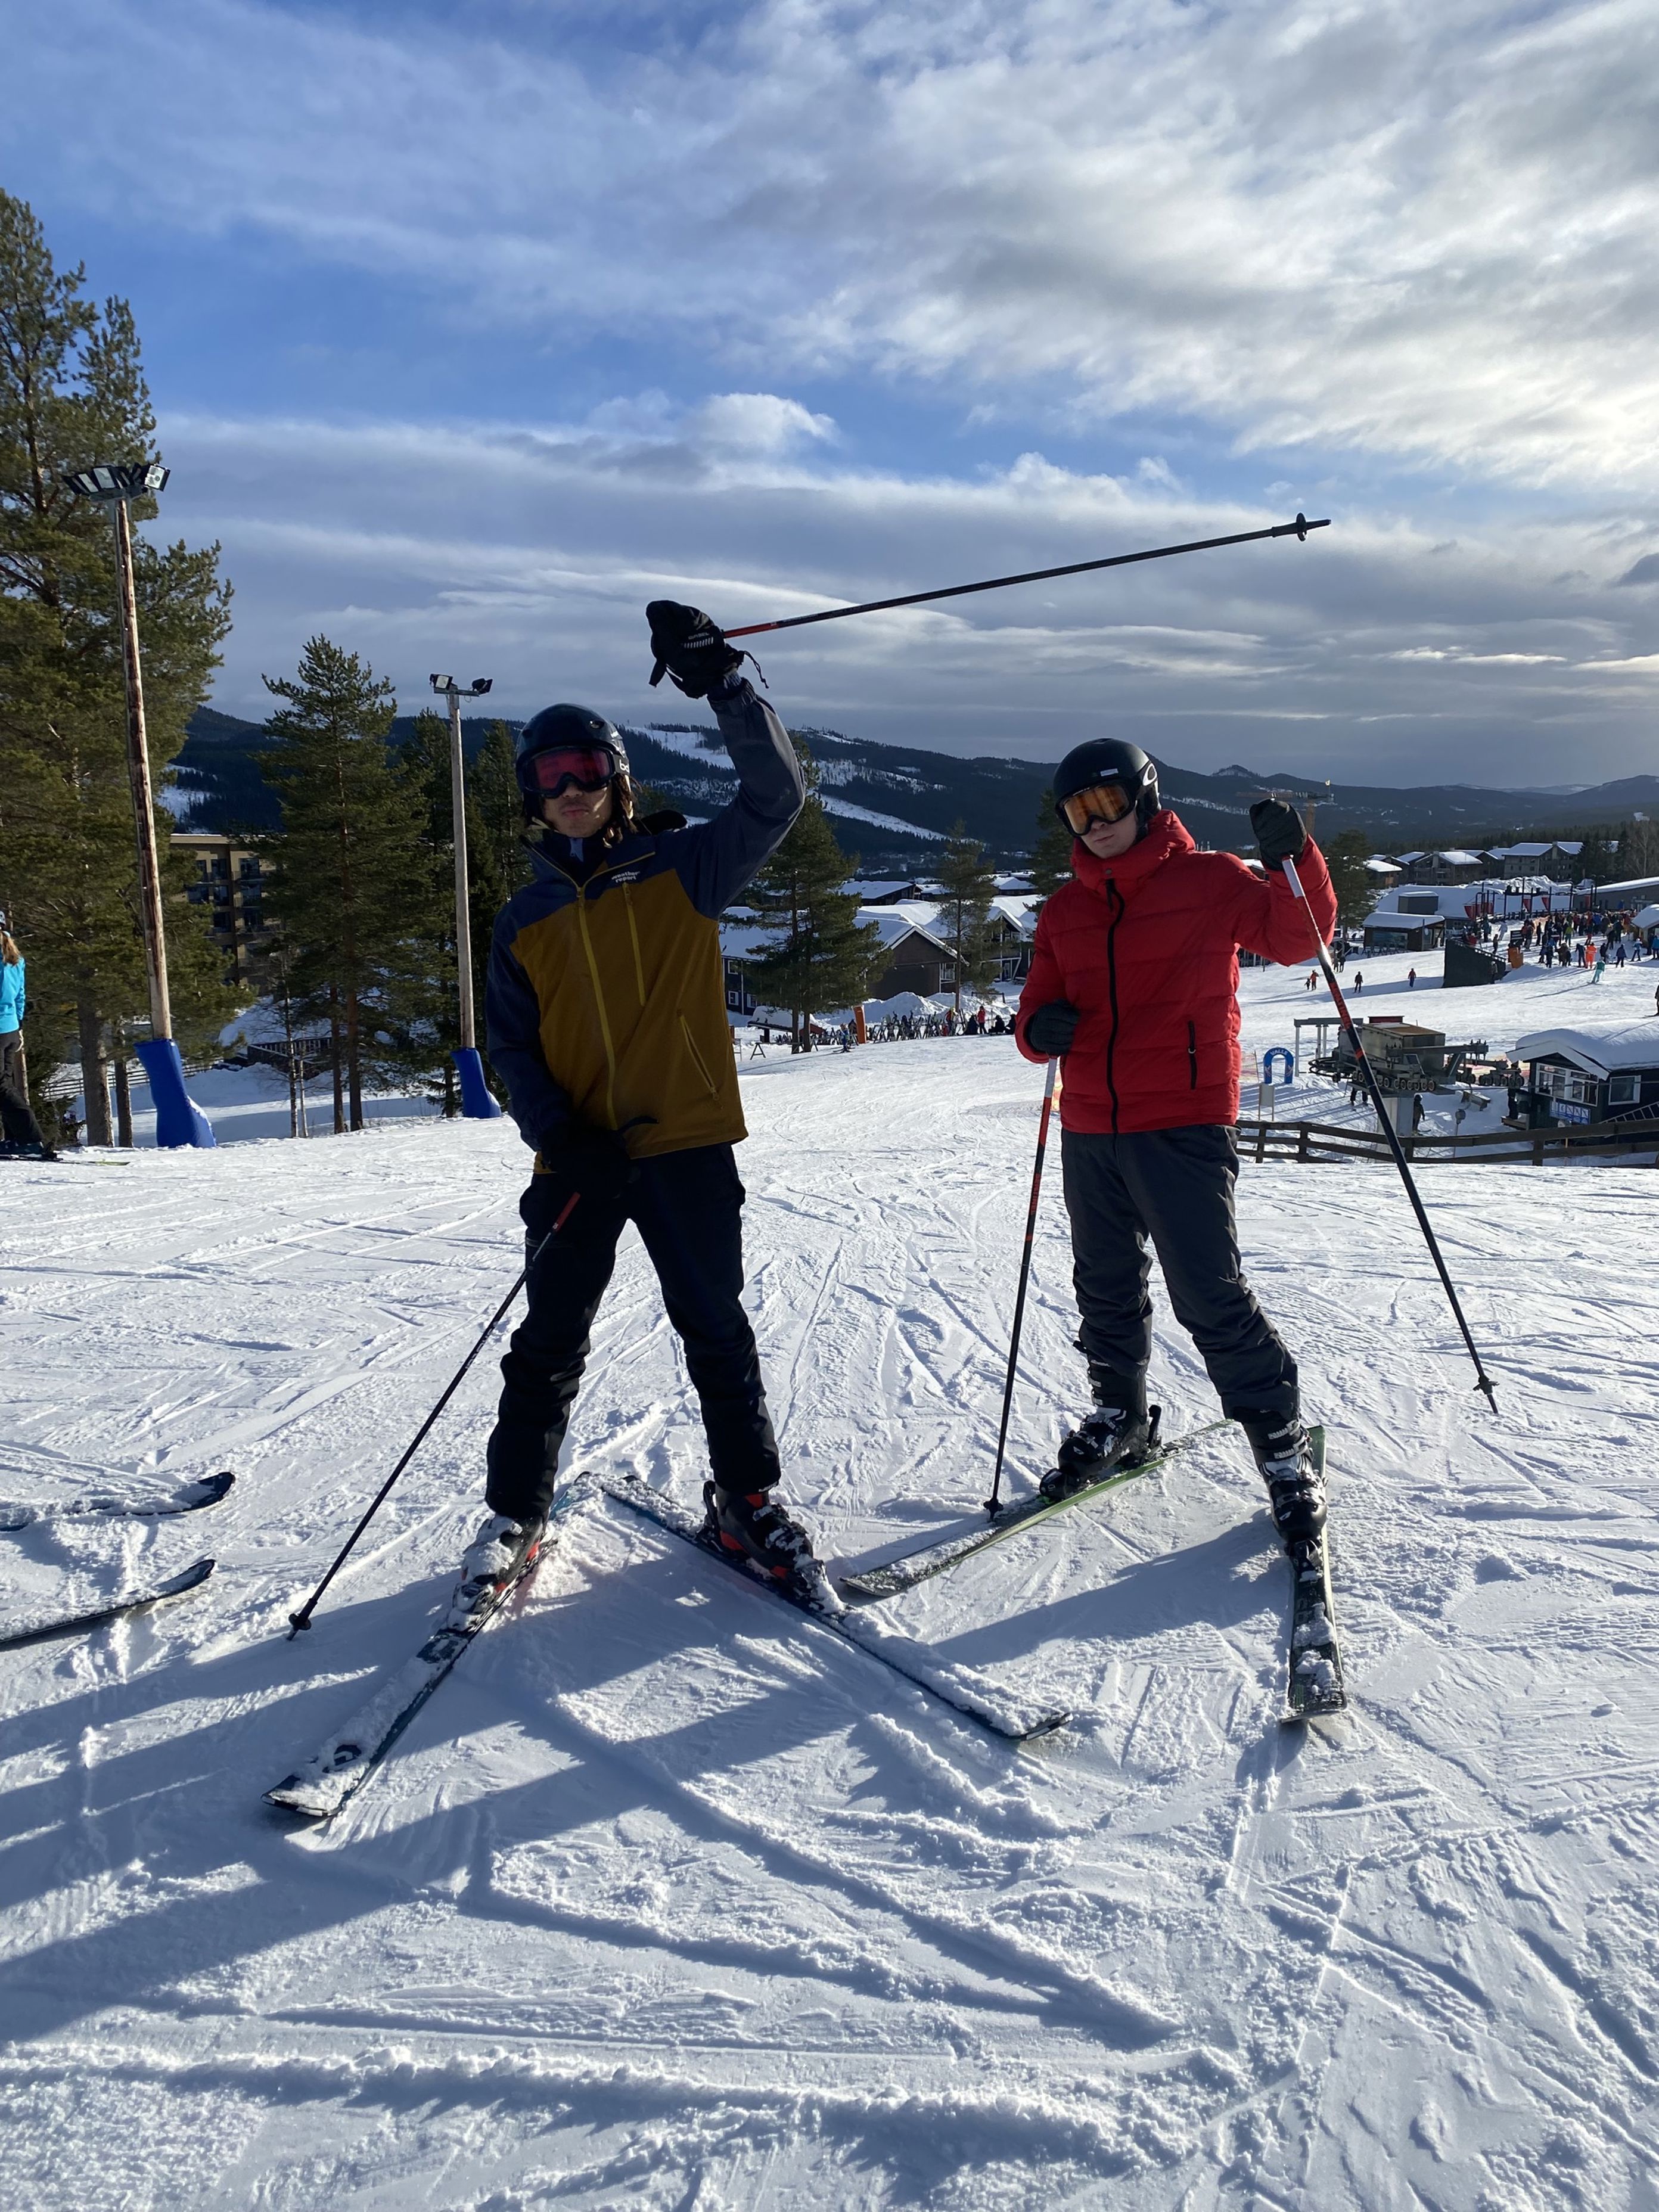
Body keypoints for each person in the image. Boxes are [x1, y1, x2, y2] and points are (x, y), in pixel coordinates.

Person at [471, 602, 809, 1598]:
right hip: (576, 1158)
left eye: (586, 771)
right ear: (533, 795)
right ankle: (515, 1513)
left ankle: (746, 1501)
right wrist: (557, 1132)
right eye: (549, 776)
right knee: (547, 1342)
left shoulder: (684, 870)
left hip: (685, 1145)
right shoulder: (523, 918)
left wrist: (725, 685)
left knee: (716, 1331)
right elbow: (511, 1046)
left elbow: (777, 795)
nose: (569, 791)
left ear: (618, 782)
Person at [1014, 741, 1337, 1551]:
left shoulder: (1211, 880)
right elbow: (1034, 1011)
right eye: (1078, 813)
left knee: (1208, 1293)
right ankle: (1119, 1413)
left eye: (1108, 805)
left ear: (1145, 800)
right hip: (1091, 1122)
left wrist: (1295, 857)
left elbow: (1297, 936)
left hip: (1183, 1120)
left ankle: (1281, 1442)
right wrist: (1037, 1030)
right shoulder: (1065, 911)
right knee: (1104, 1284)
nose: (1096, 825)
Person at [0, 916, 54, 1159]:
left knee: (2, 1087)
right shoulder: (15, 958)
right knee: (5, 1085)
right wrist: (18, 1025)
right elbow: (20, 995)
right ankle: (16, 1139)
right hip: (10, 1028)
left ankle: (31, 1139)